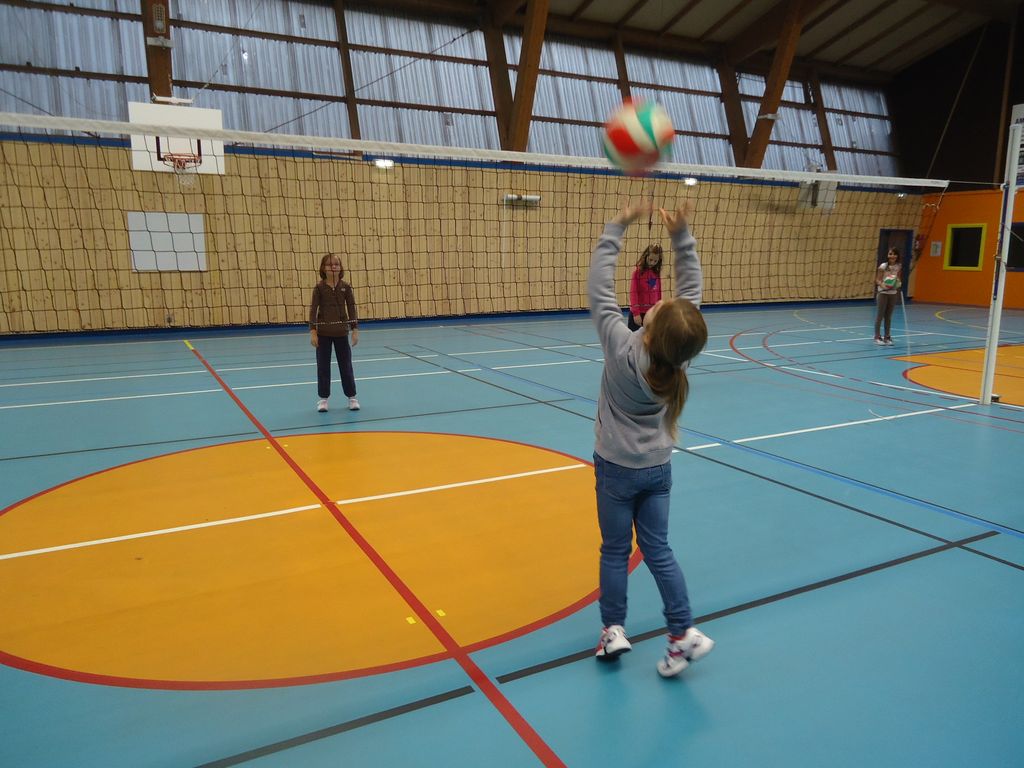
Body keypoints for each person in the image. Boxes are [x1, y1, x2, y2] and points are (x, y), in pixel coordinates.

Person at [588, 200, 715, 678]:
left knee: (614, 551)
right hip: (658, 468)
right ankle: (682, 634)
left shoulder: (620, 346)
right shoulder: (678, 358)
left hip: (615, 469)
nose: (662, 301)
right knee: (658, 549)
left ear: (651, 325)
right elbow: (690, 297)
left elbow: (599, 289)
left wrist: (616, 227)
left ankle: (613, 630)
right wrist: (682, 237)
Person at [309, 253, 360, 412]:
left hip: (341, 333)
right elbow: (313, 310)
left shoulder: (346, 287)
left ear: (340, 268)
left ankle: (352, 397)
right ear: (323, 268)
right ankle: (323, 399)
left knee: (346, 366)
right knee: (323, 367)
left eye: (336, 264)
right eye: (330, 264)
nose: (333, 267)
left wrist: (355, 329)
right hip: (323, 334)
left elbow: (351, 308)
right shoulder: (319, 288)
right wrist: (313, 331)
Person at [628, 243, 664, 331]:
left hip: (651, 314)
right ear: (645, 256)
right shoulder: (637, 273)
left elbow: (658, 294)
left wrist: (658, 310)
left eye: (655, 261)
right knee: (633, 338)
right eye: (650, 259)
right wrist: (636, 313)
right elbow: (633, 294)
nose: (652, 263)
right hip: (638, 314)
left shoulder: (656, 274)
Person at [874, 247, 902, 346]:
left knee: (888, 316)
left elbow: (898, 279)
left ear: (897, 256)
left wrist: (898, 283)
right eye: (890, 254)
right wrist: (883, 286)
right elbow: (877, 280)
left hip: (893, 293)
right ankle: (877, 337)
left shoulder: (899, 266)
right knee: (880, 315)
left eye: (894, 254)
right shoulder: (883, 266)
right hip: (883, 293)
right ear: (887, 255)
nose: (892, 256)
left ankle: (887, 337)